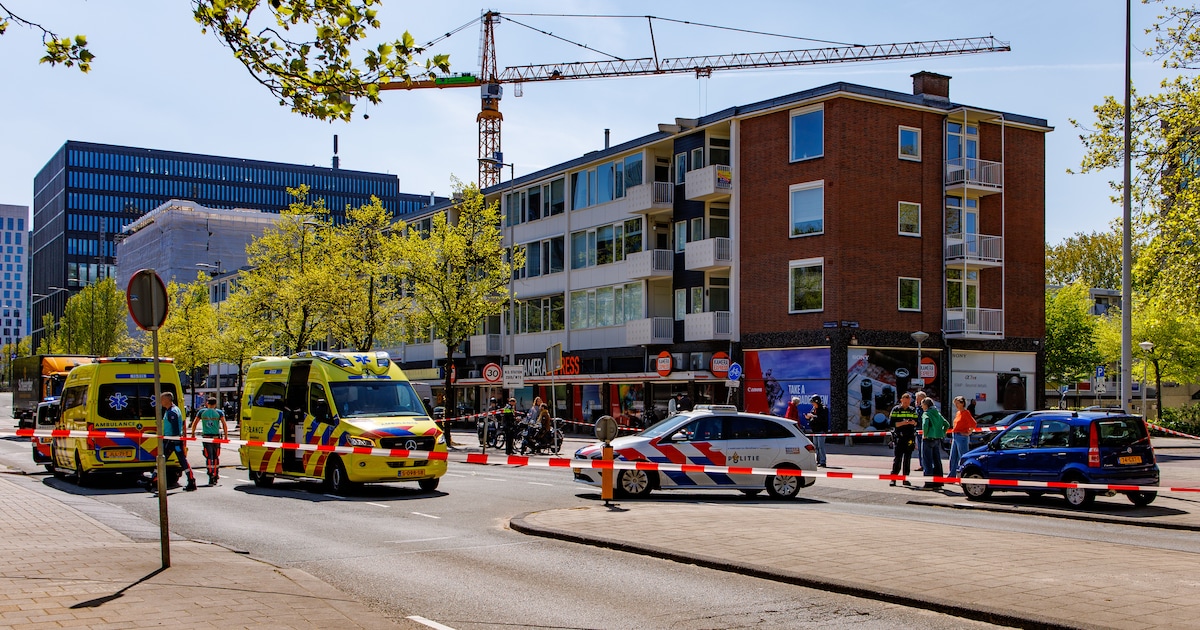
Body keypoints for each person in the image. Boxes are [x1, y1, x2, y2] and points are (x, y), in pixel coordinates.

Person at [147, 391, 197, 492]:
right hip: (173, 440)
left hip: (172, 441)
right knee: (181, 461)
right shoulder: (174, 409)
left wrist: (172, 440)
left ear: (167, 400)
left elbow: (175, 429)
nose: (160, 401)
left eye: (162, 399)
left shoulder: (171, 412)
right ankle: (191, 480)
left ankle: (153, 481)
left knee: (162, 461)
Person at [190, 396, 229, 486]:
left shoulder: (202, 412)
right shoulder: (219, 412)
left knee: (208, 456)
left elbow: (194, 423)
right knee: (216, 456)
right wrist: (226, 437)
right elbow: (224, 424)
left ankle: (210, 474)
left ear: (207, 403)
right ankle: (215, 474)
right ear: (215, 404)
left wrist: (192, 434)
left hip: (206, 437)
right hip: (216, 437)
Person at [888, 392, 919, 486]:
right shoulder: (896, 410)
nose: (906, 404)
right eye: (905, 402)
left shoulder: (912, 410)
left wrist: (913, 422)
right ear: (901, 400)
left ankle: (905, 478)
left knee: (907, 458)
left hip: (909, 437)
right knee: (897, 458)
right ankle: (893, 478)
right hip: (899, 437)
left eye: (908, 402)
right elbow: (892, 424)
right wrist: (903, 423)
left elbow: (917, 423)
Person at [919, 397, 949, 489]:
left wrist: (925, 434)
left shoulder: (926, 413)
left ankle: (928, 483)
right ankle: (939, 483)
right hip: (937, 439)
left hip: (928, 439)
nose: (921, 406)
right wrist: (942, 433)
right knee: (937, 461)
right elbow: (946, 424)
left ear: (926, 405)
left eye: (922, 404)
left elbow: (925, 423)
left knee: (927, 461)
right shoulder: (937, 413)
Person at [947, 395, 977, 477]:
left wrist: (968, 433)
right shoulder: (958, 413)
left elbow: (973, 424)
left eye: (957, 403)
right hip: (955, 436)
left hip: (962, 437)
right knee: (953, 457)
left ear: (962, 403)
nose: (956, 405)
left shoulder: (966, 413)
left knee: (963, 456)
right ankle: (952, 475)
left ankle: (965, 475)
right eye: (955, 404)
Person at [805, 394, 829, 467]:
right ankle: (818, 460)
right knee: (816, 446)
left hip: (821, 430)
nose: (812, 404)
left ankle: (823, 461)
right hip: (815, 430)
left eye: (813, 403)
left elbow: (822, 419)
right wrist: (808, 417)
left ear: (817, 402)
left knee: (821, 446)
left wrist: (813, 416)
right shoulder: (813, 409)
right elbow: (812, 416)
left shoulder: (824, 409)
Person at [913, 391, 927, 472]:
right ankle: (921, 465)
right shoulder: (917, 408)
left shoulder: (925, 410)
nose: (917, 402)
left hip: (923, 431)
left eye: (919, 400)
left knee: (924, 449)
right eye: (917, 400)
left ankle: (925, 465)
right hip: (918, 431)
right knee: (920, 449)